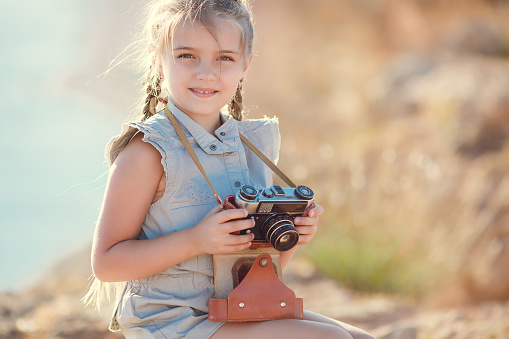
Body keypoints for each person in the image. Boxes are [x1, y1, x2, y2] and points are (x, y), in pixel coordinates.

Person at [87, 1, 375, 338]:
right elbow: (106, 264)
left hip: (237, 308)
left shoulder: (252, 147)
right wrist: (196, 240)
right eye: (186, 55)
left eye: (224, 58)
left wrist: (288, 237)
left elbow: (252, 271)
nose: (206, 72)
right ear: (157, 61)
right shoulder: (148, 151)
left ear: (246, 66)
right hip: (172, 321)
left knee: (361, 338)